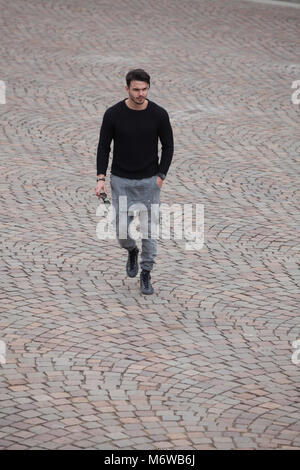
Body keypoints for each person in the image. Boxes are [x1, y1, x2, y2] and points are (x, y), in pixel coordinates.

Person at [95, 69, 174, 295]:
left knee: (150, 231)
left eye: (144, 89)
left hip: (149, 182)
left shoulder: (159, 114)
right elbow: (103, 147)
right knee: (120, 230)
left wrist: (161, 176)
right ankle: (132, 251)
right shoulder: (113, 114)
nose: (141, 94)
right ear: (127, 88)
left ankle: (146, 272)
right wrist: (101, 178)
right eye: (136, 89)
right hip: (121, 181)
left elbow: (168, 147)